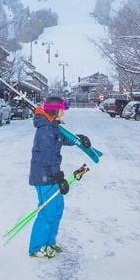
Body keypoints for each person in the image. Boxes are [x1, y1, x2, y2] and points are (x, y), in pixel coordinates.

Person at [27, 96, 86, 259]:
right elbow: (47, 156)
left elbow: (60, 139)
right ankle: (37, 247)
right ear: (55, 110)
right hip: (44, 175)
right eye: (62, 111)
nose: (64, 114)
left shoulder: (52, 126)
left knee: (57, 209)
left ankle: (49, 242)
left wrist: (78, 139)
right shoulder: (45, 128)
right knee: (47, 211)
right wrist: (59, 177)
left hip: (50, 174)